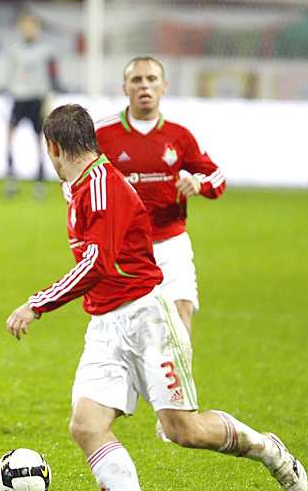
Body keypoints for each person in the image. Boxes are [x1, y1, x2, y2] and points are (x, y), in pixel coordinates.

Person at [6, 104, 307, 491]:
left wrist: (38, 304)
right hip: (104, 325)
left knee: (185, 431)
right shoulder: (81, 185)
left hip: (147, 321)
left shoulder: (102, 187)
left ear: (52, 147)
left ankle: (267, 448)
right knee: (86, 425)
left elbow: (97, 262)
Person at [95, 56, 224, 339]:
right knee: (126, 335)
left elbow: (216, 176)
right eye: (137, 80)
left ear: (163, 86)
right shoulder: (102, 134)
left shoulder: (179, 136)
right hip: (122, 247)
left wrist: (198, 183)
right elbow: (75, 179)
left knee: (181, 318)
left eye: (151, 79)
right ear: (125, 88)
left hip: (170, 243)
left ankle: (179, 372)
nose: (145, 86)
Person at [0, 10, 59, 199]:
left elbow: (53, 73)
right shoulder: (13, 50)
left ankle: (40, 179)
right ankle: (11, 177)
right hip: (18, 97)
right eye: (24, 27)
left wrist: (53, 93)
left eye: (31, 26)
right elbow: (7, 72)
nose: (28, 30)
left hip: (37, 97)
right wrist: (2, 89)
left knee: (40, 140)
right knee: (10, 137)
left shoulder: (46, 51)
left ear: (37, 28)